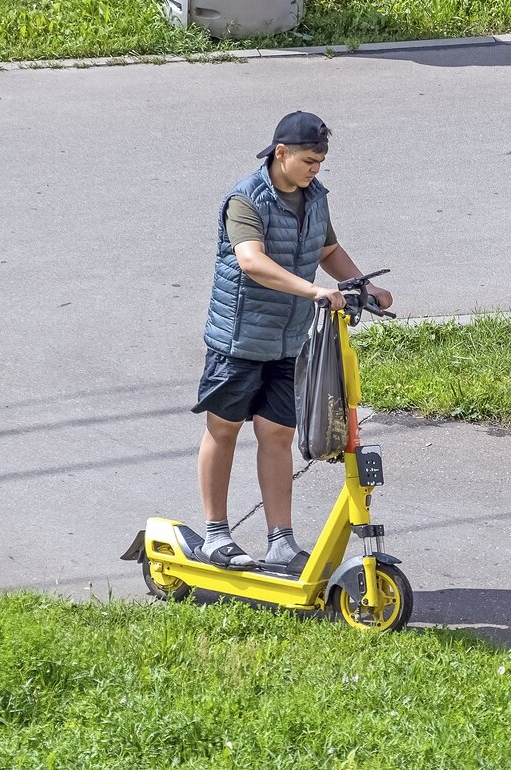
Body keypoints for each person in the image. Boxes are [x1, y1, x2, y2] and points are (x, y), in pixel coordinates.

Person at [192, 111, 393, 574]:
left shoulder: (314, 197)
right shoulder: (245, 199)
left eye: (319, 163)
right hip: (239, 338)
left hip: (288, 341)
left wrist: (362, 284)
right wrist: (314, 290)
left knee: (278, 434)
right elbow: (251, 261)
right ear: (280, 153)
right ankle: (215, 536)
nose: (314, 170)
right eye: (308, 161)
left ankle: (280, 542)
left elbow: (327, 250)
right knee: (223, 430)